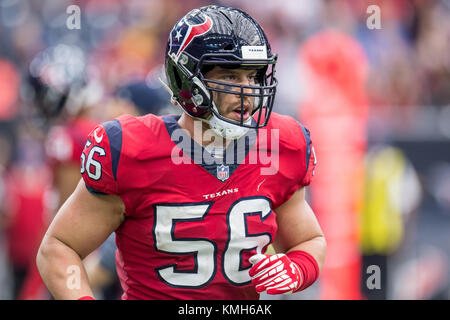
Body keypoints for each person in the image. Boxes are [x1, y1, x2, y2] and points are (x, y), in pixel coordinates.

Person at [37, 5, 326, 300]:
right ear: (187, 79)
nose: (248, 91)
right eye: (231, 76)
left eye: (253, 77)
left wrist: (297, 268)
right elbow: (59, 247)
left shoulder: (282, 145)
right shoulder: (130, 150)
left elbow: (309, 240)